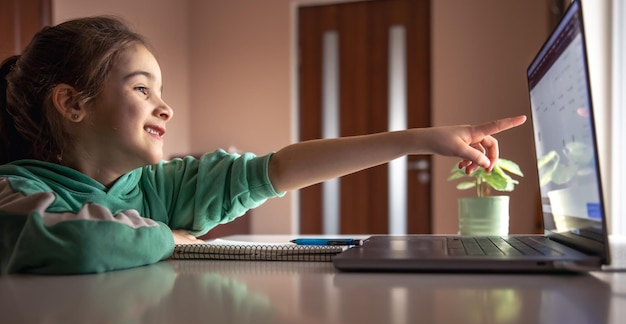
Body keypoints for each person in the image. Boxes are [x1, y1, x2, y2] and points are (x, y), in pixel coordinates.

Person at [0, 16, 526, 275]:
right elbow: (88, 243)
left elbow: (276, 170)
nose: (166, 107)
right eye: (142, 89)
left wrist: (420, 140)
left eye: (162, 91)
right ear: (73, 103)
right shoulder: (14, 191)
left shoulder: (160, 186)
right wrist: (173, 237)